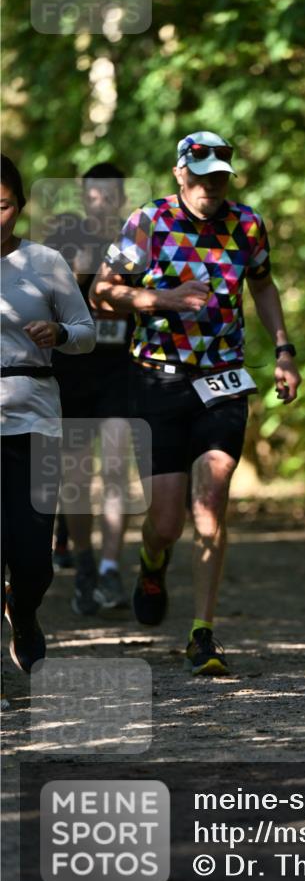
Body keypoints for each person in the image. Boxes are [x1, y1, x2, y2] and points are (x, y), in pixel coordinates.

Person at [90, 131, 301, 676]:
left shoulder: (246, 224)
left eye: (220, 175)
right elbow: (103, 293)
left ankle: (202, 633)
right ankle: (151, 562)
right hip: (157, 380)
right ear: (180, 173)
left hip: (224, 379)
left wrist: (284, 349)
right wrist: (161, 299)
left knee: (211, 501)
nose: (211, 184)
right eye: (201, 173)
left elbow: (263, 285)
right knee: (166, 521)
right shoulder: (148, 222)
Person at [1, 154, 95, 691]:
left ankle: (27, 612)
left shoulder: (45, 261)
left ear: (19, 206)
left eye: (3, 205)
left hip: (35, 414)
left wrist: (57, 335)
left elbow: (84, 331)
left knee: (33, 555)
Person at [46, 163, 133, 615]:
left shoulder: (138, 241)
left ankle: (110, 569)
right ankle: (83, 565)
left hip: (120, 374)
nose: (101, 202)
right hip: (73, 375)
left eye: (109, 195)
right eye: (93, 195)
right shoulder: (64, 241)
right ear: (84, 198)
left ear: (119, 198)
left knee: (117, 469)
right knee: (77, 478)